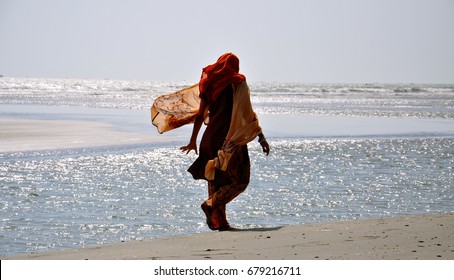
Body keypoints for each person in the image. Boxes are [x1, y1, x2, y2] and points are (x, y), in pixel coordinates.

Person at [180, 53, 270, 231]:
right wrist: (260, 136)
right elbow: (247, 114)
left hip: (210, 138)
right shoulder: (238, 83)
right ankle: (210, 205)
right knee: (240, 180)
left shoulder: (209, 84)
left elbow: (200, 114)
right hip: (230, 139)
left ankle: (220, 223)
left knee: (216, 180)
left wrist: (193, 141)